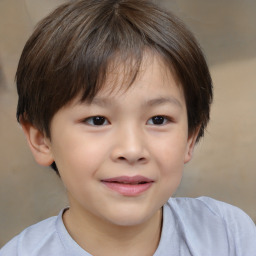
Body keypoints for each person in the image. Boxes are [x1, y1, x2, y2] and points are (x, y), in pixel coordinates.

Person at [1, 0, 255, 255]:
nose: (132, 150)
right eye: (97, 120)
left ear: (190, 138)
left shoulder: (227, 234)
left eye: (158, 120)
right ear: (41, 140)